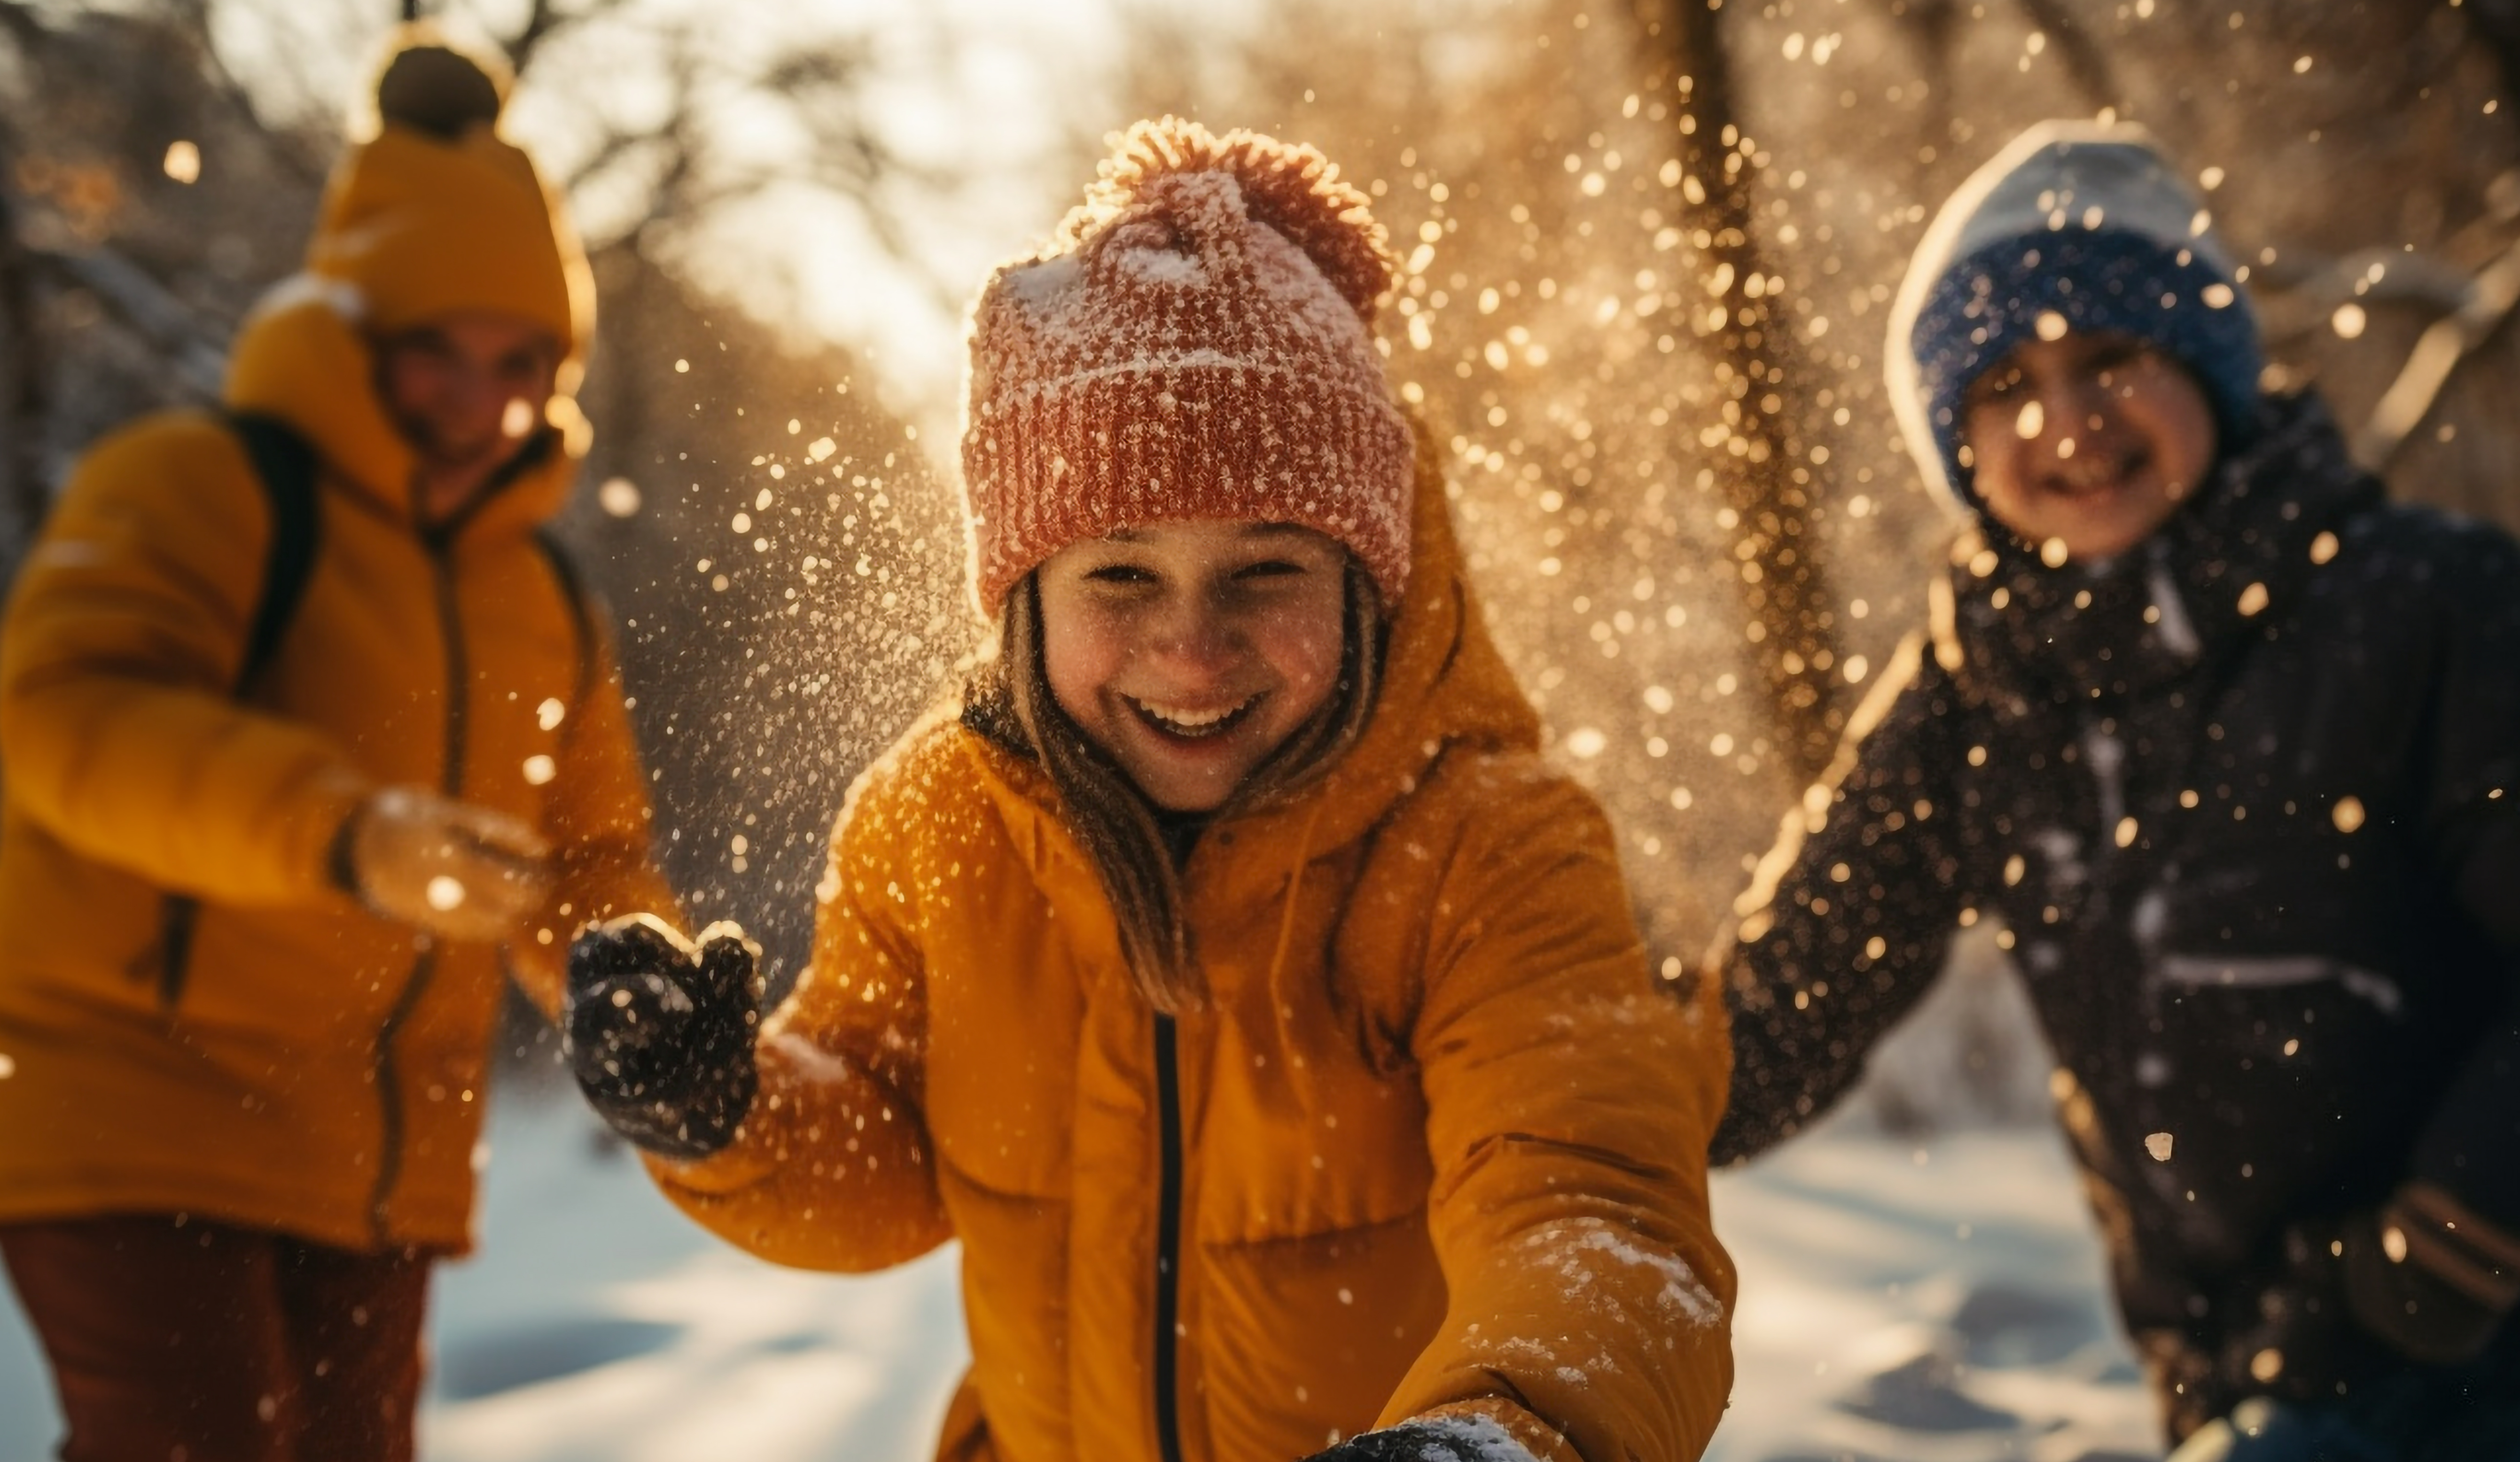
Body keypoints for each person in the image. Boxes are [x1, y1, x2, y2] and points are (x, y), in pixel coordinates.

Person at [563, 120, 1734, 1462]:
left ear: (1369, 585)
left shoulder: (1490, 849)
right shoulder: (939, 826)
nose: (1191, 647)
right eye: (1120, 575)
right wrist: (731, 1111)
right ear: (1022, 601)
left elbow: (1591, 1204)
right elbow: (886, 1149)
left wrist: (1510, 1432)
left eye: (1265, 573)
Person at [1709, 120, 2520, 1460]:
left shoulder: (2422, 605)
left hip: (2504, 1356)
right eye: (2003, 383)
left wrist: (2441, 1251)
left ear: (2209, 371)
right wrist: (1521, 1065)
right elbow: (1764, 1025)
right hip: (2228, 1375)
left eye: (2111, 356)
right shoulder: (1974, 695)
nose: (2066, 421)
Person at [0, 34, 673, 1462]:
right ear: (353, 331)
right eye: (438, 354)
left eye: (523, 363)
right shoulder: (200, 486)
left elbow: (591, 860)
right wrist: (347, 834)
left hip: (373, 1160)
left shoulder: (541, 597)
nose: (482, 404)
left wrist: (637, 987)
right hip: (132, 1092)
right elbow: (63, 718)